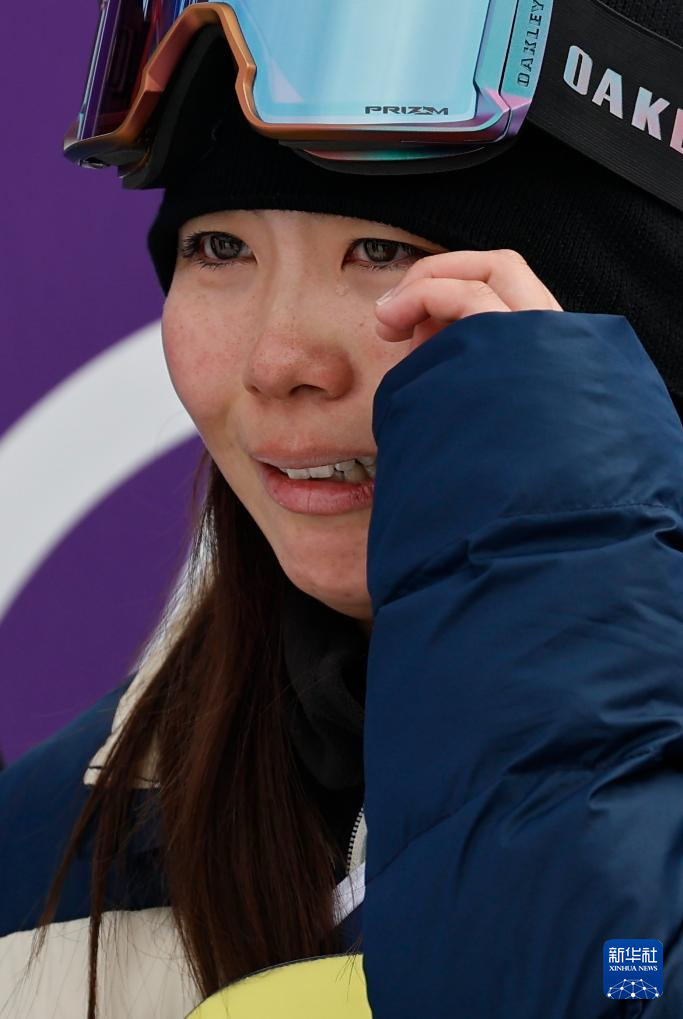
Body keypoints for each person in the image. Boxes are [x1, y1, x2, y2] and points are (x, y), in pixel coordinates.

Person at [1, 2, 682, 1016]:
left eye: (381, 251)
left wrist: (555, 569)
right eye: (219, 248)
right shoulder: (43, 847)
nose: (279, 359)